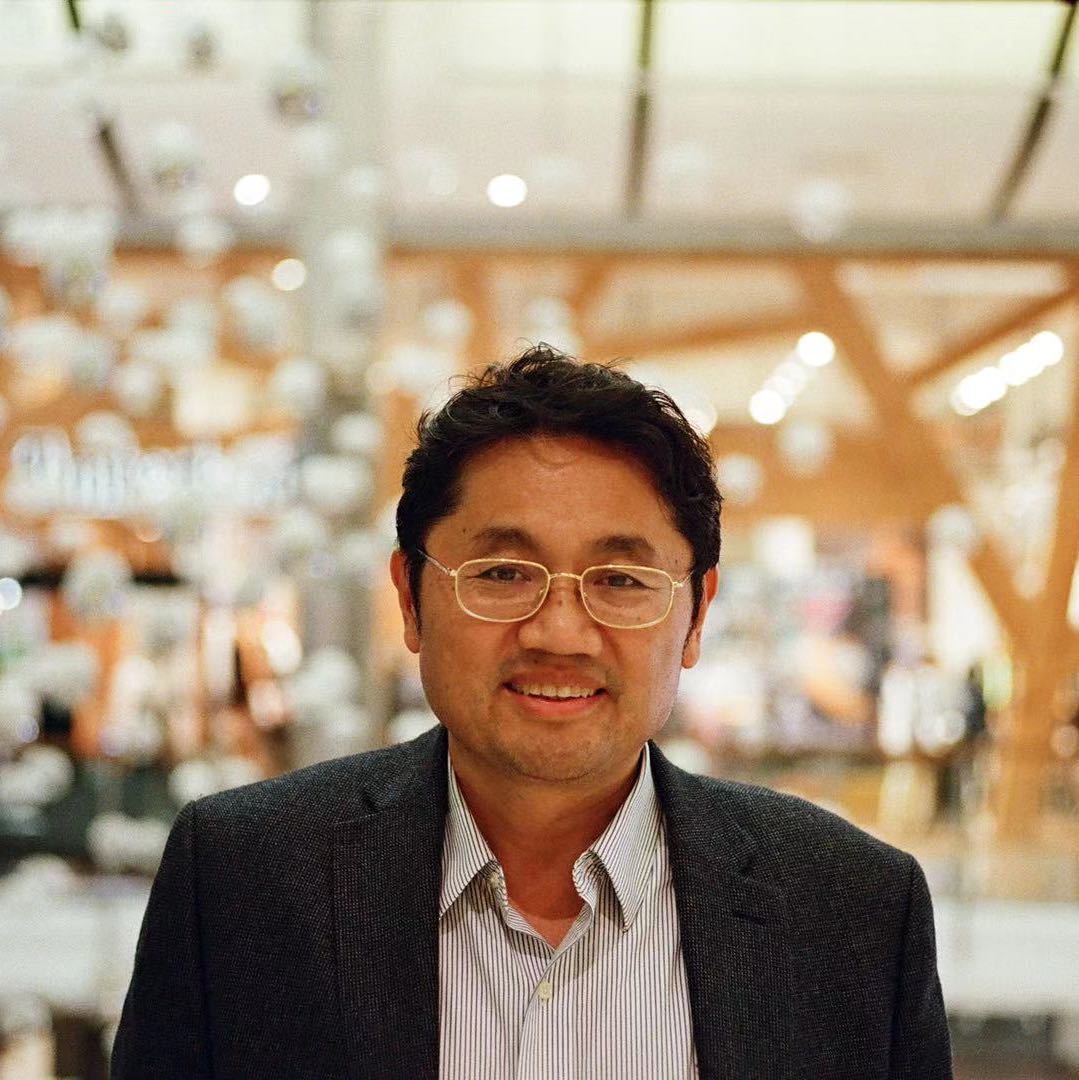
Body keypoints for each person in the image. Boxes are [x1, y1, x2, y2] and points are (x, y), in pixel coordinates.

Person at [112, 346, 952, 1079]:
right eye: (503, 574)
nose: (558, 631)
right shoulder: (243, 880)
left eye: (619, 581)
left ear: (696, 615)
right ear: (409, 598)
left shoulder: (852, 913)